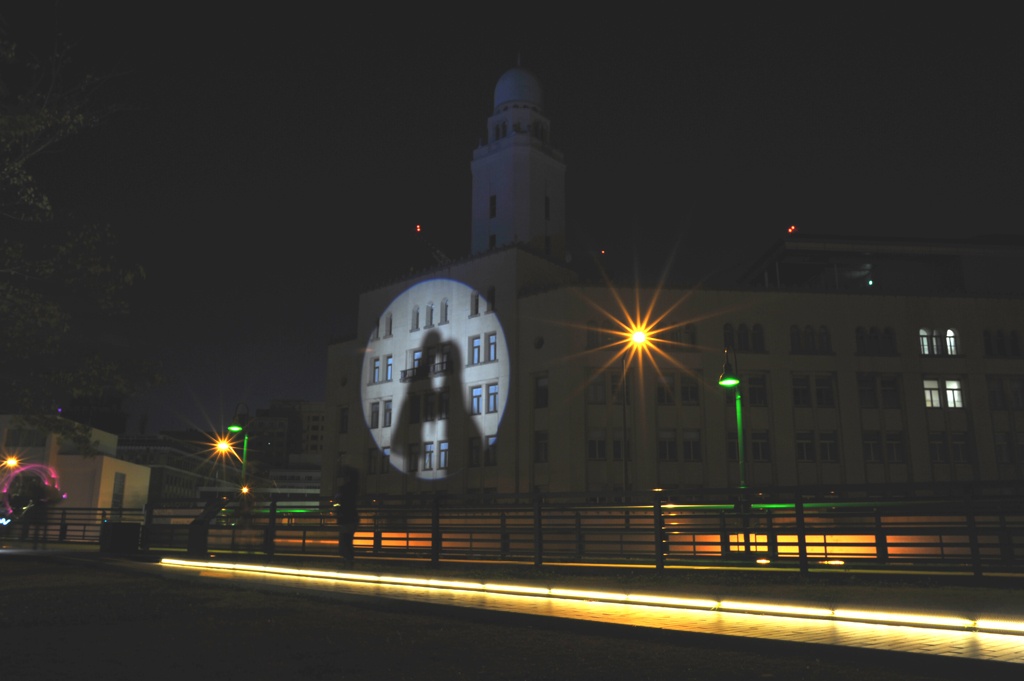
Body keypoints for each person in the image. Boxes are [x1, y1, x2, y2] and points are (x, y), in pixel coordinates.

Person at [332, 466, 360, 566]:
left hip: (345, 519)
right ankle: (349, 559)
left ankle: (347, 559)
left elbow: (338, 502)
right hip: (351, 518)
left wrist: (337, 509)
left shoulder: (343, 489)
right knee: (348, 539)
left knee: (345, 539)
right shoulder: (354, 488)